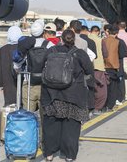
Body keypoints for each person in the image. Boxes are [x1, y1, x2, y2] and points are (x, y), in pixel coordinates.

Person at [41, 30, 93, 162]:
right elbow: (89, 70)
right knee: (71, 125)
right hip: (73, 95)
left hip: (52, 94)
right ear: (73, 40)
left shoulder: (51, 51)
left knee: (51, 123)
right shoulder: (79, 53)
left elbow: (42, 66)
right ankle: (69, 155)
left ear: (61, 39)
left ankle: (49, 154)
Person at [0, 26, 23, 106]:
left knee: (9, 105)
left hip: (7, 82)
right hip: (20, 80)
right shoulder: (22, 48)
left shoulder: (2, 49)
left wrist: (1, 84)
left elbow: (0, 68)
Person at [89, 26, 108, 114]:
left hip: (88, 66)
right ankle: (97, 108)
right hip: (98, 66)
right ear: (98, 32)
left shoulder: (86, 38)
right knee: (101, 89)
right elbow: (105, 54)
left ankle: (89, 107)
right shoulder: (100, 40)